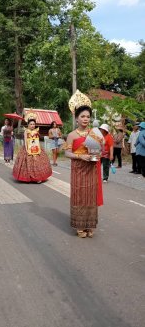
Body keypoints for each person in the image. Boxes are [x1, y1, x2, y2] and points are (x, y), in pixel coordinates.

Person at [65, 101, 103, 238]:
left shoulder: (94, 133)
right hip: (78, 170)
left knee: (90, 197)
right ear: (76, 118)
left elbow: (99, 150)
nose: (86, 119)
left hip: (91, 169)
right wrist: (81, 156)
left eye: (88, 116)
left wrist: (100, 148)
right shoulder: (72, 135)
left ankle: (90, 225)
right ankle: (80, 226)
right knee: (79, 197)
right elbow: (67, 153)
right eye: (82, 116)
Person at [13, 111, 52, 182]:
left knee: (37, 162)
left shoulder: (36, 131)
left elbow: (38, 140)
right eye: (31, 124)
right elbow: (25, 140)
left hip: (37, 149)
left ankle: (38, 178)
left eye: (33, 124)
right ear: (28, 125)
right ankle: (28, 177)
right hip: (28, 148)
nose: (32, 125)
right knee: (27, 163)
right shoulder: (26, 131)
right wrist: (27, 148)